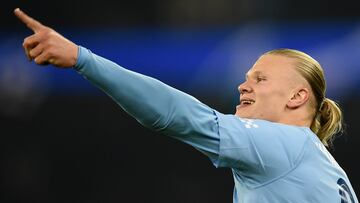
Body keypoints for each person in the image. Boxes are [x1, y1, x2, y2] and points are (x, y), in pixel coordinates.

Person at [14, 8, 358, 203]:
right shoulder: (330, 172)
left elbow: (179, 115)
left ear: (298, 97)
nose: (243, 85)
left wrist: (81, 59)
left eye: (260, 79)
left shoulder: (282, 142)